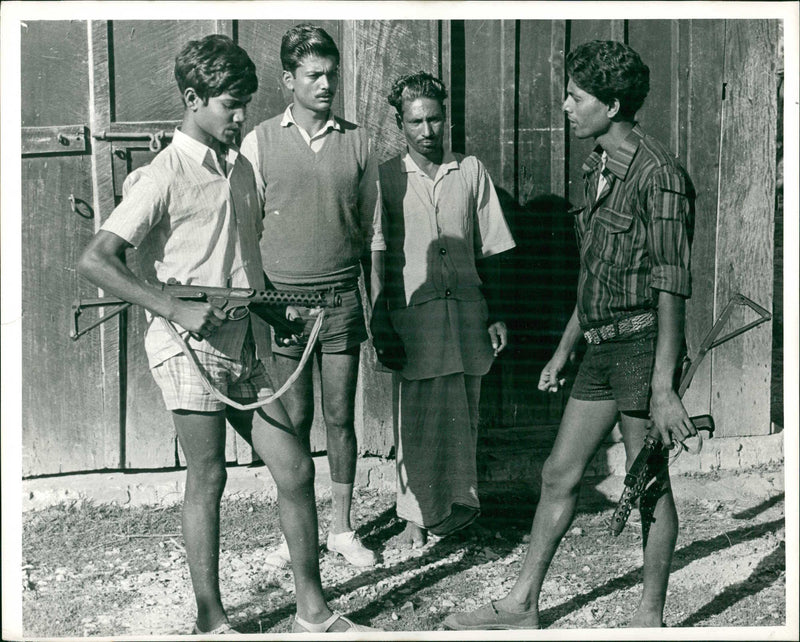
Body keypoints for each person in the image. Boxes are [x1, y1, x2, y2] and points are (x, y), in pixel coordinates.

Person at [77, 35, 375, 634]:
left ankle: (313, 613)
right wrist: (174, 309)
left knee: (293, 468)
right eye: (229, 106)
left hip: (240, 342)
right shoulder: (163, 173)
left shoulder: (237, 168)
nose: (241, 118)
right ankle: (212, 621)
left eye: (245, 105)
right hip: (184, 344)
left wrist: (272, 313)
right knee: (208, 475)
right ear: (193, 99)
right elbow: (97, 259)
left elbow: (238, 268)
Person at [445, 40, 696, 630]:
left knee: (646, 481)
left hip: (641, 348)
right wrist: (564, 348)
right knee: (559, 473)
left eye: (575, 97)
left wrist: (663, 388)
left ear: (610, 105)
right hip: (602, 347)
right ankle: (522, 606)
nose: (564, 106)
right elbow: (595, 274)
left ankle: (649, 618)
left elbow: (672, 290)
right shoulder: (597, 168)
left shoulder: (661, 179)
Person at [240, 24, 378, 568]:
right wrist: (268, 300)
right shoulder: (259, 141)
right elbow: (246, 231)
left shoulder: (359, 140)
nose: (325, 84)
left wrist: (375, 298)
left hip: (341, 297)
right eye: (313, 75)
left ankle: (342, 529)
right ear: (288, 80)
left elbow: (372, 230)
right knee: (292, 422)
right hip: (282, 306)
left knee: (340, 416)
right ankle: (294, 533)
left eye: (331, 74)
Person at [370, 72, 516, 548]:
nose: (428, 131)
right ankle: (413, 517)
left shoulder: (469, 171)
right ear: (400, 124)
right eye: (417, 122)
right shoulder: (387, 178)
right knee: (416, 417)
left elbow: (492, 247)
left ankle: (457, 510)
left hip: (468, 314)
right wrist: (382, 318)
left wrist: (495, 312)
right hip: (415, 318)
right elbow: (378, 254)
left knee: (463, 412)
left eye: (435, 119)